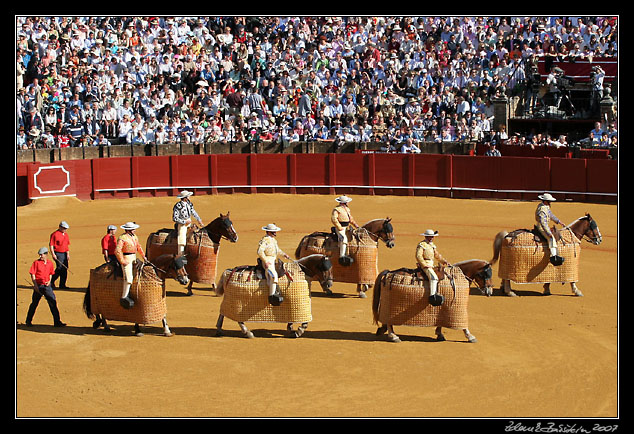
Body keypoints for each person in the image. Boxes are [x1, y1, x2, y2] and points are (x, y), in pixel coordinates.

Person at [26, 247, 66, 327]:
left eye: (42, 255)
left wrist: (49, 281)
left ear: (46, 254)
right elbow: (33, 274)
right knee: (34, 304)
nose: (40, 256)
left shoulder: (50, 263)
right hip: (39, 286)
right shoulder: (36, 263)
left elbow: (51, 273)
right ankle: (28, 321)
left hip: (47, 286)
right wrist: (35, 285)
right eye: (40, 255)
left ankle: (57, 322)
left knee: (53, 302)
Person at [115, 221, 148, 309]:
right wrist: (122, 261)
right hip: (127, 258)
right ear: (128, 230)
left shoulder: (134, 237)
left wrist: (143, 256)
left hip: (134, 257)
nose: (134, 230)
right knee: (128, 278)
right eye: (133, 229)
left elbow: (138, 247)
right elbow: (117, 250)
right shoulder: (122, 238)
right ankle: (124, 297)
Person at [257, 223, 291, 306]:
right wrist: (265, 261)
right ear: (268, 232)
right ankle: (271, 296)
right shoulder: (265, 240)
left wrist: (284, 254)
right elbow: (260, 251)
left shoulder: (273, 240)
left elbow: (277, 250)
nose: (275, 234)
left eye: (275, 232)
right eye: (273, 232)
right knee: (273, 275)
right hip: (268, 259)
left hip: (273, 259)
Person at [415, 229, 449, 306]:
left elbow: (437, 255)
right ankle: (432, 297)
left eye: (432, 237)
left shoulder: (432, 245)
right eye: (430, 237)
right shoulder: (422, 245)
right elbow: (418, 256)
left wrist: (444, 261)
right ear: (426, 236)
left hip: (431, 264)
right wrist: (424, 264)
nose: (431, 238)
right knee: (434, 278)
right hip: (425, 265)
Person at [535, 193, 565, 266]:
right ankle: (554, 257)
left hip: (544, 225)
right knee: (551, 238)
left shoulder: (545, 206)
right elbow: (543, 223)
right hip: (541, 227)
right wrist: (548, 233)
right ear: (545, 201)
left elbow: (551, 215)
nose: (550, 202)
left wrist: (559, 221)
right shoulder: (542, 209)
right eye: (549, 201)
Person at [172, 190, 204, 255]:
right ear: (185, 197)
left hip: (189, 223)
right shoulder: (178, 206)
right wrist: (184, 221)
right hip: (182, 224)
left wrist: (199, 220)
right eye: (188, 196)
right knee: (182, 238)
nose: (189, 197)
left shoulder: (189, 204)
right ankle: (180, 254)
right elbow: (175, 218)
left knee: (197, 233)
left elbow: (193, 212)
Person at [331, 195, 359, 266]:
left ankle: (349, 253)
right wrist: (339, 227)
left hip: (347, 227)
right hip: (341, 228)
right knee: (344, 239)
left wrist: (355, 225)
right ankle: (342, 256)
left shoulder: (347, 209)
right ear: (344, 202)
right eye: (347, 202)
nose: (348, 203)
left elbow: (350, 219)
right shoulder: (336, 209)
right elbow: (334, 219)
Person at [49, 221, 70, 289]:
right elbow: (51, 245)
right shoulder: (54, 234)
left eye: (66, 228)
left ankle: (62, 285)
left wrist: (68, 254)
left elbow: (66, 245)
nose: (65, 230)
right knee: (60, 268)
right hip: (58, 253)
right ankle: (51, 281)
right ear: (60, 227)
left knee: (65, 268)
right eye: (64, 228)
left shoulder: (66, 235)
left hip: (64, 253)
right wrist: (53, 254)